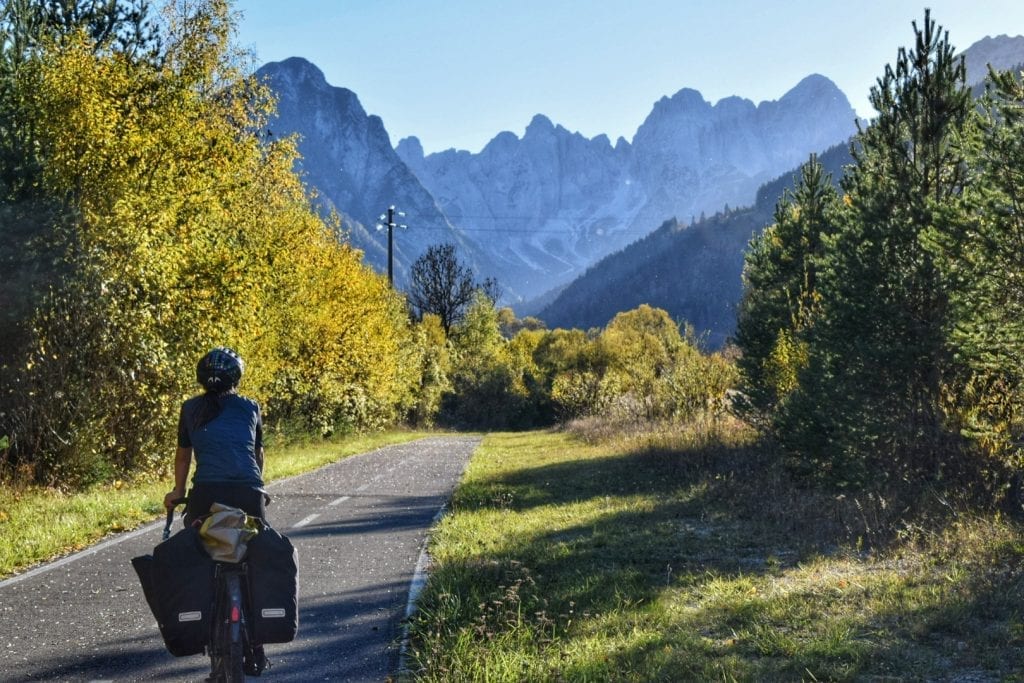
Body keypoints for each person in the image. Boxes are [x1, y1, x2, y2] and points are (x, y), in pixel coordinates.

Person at [163, 346, 268, 526]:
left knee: (196, 545)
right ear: (235, 378)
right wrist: (258, 487)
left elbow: (183, 457)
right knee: (257, 543)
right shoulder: (251, 407)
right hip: (248, 492)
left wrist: (178, 492)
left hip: (207, 491)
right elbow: (257, 453)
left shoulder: (190, 408)